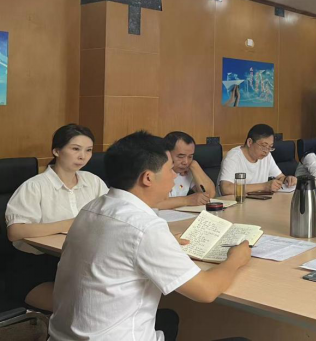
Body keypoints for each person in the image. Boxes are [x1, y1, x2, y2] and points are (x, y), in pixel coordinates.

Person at [49, 131, 251, 341]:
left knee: (168, 318)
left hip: (62, 337)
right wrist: (236, 259)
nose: (174, 176)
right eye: (170, 169)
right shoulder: (145, 228)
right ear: (148, 178)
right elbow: (206, 291)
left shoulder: (91, 208)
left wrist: (162, 243)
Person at [5, 124, 107, 311]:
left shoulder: (93, 181)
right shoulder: (35, 186)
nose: (83, 156)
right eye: (75, 149)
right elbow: (15, 231)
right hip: (37, 266)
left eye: (88, 150)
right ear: (57, 151)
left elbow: (112, 214)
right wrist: (69, 224)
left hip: (81, 263)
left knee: (109, 303)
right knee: (81, 309)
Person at [218, 124, 297, 195]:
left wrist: (287, 179)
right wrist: (264, 186)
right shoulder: (233, 157)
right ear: (250, 142)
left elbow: (280, 177)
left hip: (257, 202)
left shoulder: (267, 156)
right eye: (263, 146)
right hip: (233, 203)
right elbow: (226, 189)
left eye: (270, 147)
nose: (266, 151)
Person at [154, 131, 216, 210]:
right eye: (181, 156)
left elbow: (209, 195)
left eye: (190, 157)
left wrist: (194, 166)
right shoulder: (156, 171)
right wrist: (187, 200)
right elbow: (154, 203)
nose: (186, 162)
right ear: (167, 153)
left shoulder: (188, 170)